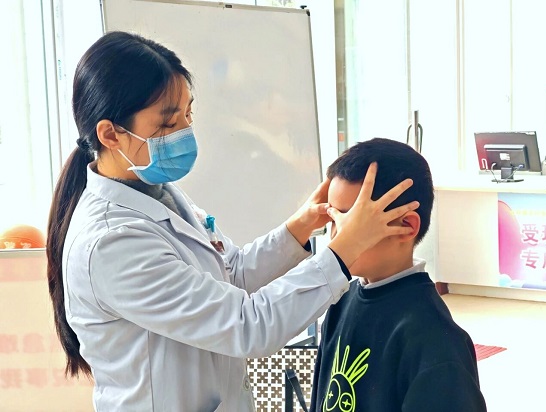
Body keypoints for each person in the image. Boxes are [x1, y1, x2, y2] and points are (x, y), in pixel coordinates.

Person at [45, 31, 419, 412]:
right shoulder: (110, 243)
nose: (184, 132)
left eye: (188, 114)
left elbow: (231, 274)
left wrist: (299, 228)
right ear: (110, 134)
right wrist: (341, 253)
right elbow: (247, 325)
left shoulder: (158, 192)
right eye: (168, 124)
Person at [309, 138, 487, 412]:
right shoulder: (340, 300)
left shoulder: (436, 343)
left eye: (352, 222)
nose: (335, 236)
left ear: (407, 226)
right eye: (333, 220)